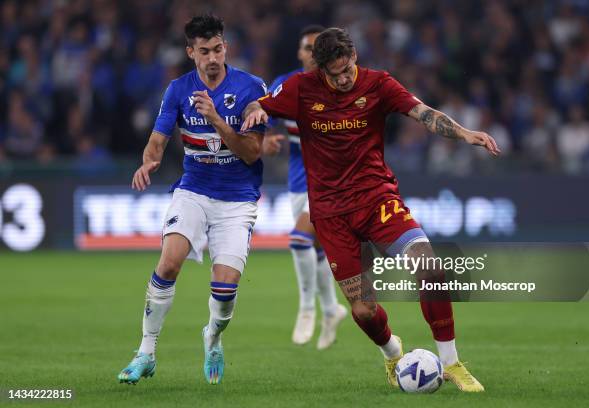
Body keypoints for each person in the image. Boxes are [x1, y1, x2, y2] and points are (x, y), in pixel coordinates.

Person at [242, 27, 500, 392]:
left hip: (377, 200)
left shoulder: (378, 84)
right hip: (331, 215)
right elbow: (261, 104)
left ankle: (451, 363)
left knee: (431, 269)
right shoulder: (301, 88)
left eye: (349, 68)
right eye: (336, 74)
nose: (346, 78)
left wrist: (465, 134)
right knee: (363, 310)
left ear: (354, 58)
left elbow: (423, 113)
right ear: (320, 70)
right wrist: (255, 113)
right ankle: (393, 353)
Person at [118, 14, 267, 385]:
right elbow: (159, 137)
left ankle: (212, 338)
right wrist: (149, 160)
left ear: (225, 47)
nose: (213, 57)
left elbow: (251, 153)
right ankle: (145, 352)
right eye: (204, 51)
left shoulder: (251, 88)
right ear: (191, 52)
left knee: (225, 290)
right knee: (168, 263)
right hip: (194, 191)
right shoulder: (177, 90)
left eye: (218, 49)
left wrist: (217, 119)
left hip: (237, 200)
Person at [263, 25, 347, 350]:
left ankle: (307, 309)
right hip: (298, 180)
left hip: (331, 180)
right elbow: (265, 118)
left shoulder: (339, 86)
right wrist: (268, 139)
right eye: (307, 47)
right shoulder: (284, 86)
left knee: (299, 239)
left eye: (318, 48)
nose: (312, 53)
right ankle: (331, 310)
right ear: (300, 53)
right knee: (316, 249)